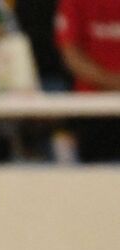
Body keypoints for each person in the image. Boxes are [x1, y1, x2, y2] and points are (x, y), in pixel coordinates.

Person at [55, 0, 120, 161]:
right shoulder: (75, 2)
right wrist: (113, 82)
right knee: (97, 178)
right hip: (92, 108)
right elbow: (70, 53)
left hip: (95, 102)